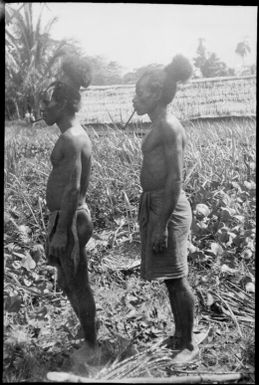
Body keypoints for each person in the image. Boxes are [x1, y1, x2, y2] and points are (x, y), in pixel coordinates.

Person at [133, 55, 198, 365]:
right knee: (171, 277)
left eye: (142, 91)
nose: (136, 97)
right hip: (158, 204)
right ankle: (180, 334)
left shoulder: (169, 126)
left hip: (168, 207)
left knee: (177, 277)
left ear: (157, 93)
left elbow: (175, 178)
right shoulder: (159, 124)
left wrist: (160, 223)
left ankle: (188, 344)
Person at [41, 55, 99, 359]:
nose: (41, 110)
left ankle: (92, 345)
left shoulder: (72, 138)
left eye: (46, 104)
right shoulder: (70, 135)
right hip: (65, 217)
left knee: (78, 283)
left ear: (62, 104)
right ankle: (87, 325)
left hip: (71, 219)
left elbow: (74, 188)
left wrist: (62, 231)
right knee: (69, 281)